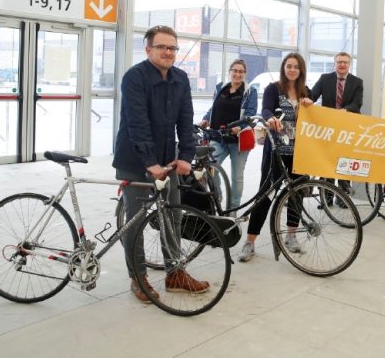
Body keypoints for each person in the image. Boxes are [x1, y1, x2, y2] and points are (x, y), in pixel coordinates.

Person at [112, 25, 209, 303]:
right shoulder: (134, 77)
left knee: (172, 217)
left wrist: (186, 157)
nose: (168, 52)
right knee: (136, 221)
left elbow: (185, 120)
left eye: (172, 48)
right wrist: (151, 163)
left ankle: (175, 273)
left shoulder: (180, 79)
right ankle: (138, 277)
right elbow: (137, 123)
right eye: (162, 47)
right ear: (148, 50)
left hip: (167, 160)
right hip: (136, 161)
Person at [237, 52, 311, 262]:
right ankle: (250, 241)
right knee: (265, 195)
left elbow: (314, 118)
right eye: (289, 66)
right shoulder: (273, 88)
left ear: (301, 70)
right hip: (276, 152)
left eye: (296, 66)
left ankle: (291, 236)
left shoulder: (306, 91)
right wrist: (270, 119)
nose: (292, 70)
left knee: (296, 194)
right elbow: (266, 109)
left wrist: (310, 105)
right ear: (283, 68)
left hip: (300, 153)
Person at [301, 51, 364, 206]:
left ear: (349, 65)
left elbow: (357, 104)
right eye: (339, 62)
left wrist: (345, 111)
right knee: (327, 162)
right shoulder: (325, 79)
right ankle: (326, 198)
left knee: (344, 162)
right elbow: (313, 95)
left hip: (346, 128)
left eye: (345, 62)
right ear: (334, 64)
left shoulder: (357, 82)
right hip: (327, 129)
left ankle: (342, 198)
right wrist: (308, 99)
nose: (342, 64)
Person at [199, 59, 258, 210]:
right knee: (210, 169)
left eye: (241, 71)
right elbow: (214, 108)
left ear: (245, 74)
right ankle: (217, 199)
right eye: (235, 70)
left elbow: (250, 115)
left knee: (236, 177)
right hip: (217, 137)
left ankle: (233, 209)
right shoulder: (220, 88)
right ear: (230, 71)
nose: (237, 74)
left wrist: (240, 127)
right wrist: (206, 119)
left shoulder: (250, 91)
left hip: (238, 140)